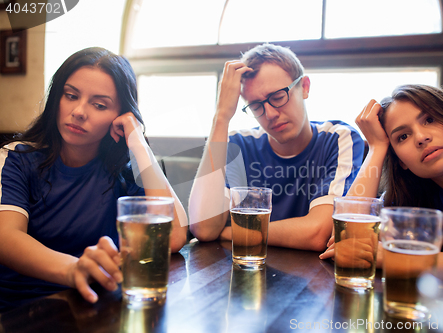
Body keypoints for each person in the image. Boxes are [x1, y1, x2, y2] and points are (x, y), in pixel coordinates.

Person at [0, 47, 188, 312]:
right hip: (21, 309)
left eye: (99, 105)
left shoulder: (124, 169)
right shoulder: (17, 157)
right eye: (70, 96)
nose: (79, 111)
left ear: (120, 114)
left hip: (97, 306)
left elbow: (174, 236)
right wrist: (74, 269)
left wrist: (137, 142)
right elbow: (6, 236)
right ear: (57, 98)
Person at [320, 84, 443, 290]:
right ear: (401, 161)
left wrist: (400, 259)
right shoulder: (406, 198)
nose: (422, 138)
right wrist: (377, 147)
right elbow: (349, 244)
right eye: (402, 137)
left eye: (430, 120)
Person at [188, 44, 364, 251]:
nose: (270, 114)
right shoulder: (237, 143)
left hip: (312, 277)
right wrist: (221, 117)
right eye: (256, 106)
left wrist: (229, 233)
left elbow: (318, 233)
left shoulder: (338, 138)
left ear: (304, 87)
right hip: (244, 272)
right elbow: (204, 228)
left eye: (278, 97)